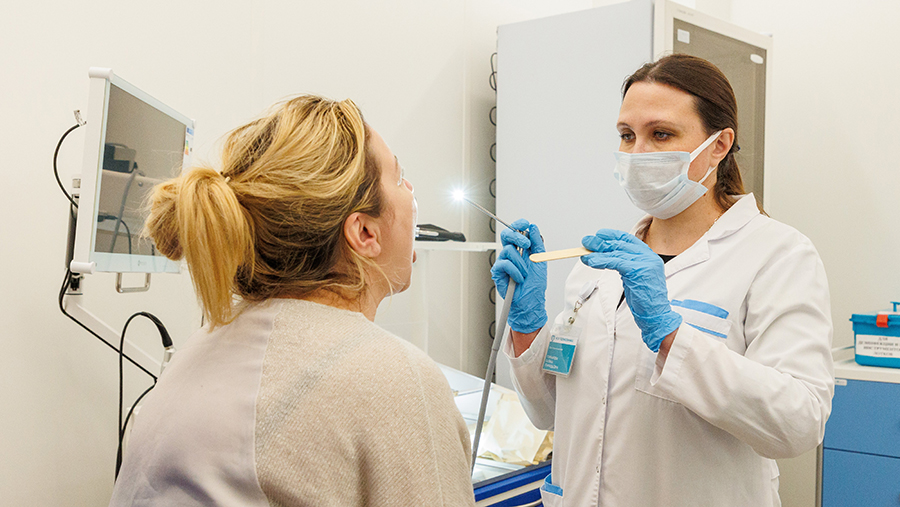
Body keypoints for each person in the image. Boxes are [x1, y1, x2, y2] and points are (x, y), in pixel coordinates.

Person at [491, 54, 833, 506]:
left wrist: (671, 335)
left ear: (719, 145)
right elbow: (550, 413)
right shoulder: (598, 265)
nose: (637, 154)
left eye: (661, 134)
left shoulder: (778, 255)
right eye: (626, 135)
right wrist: (527, 325)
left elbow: (798, 424)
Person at [110, 95, 476, 506]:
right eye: (399, 177)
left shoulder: (199, 350)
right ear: (364, 233)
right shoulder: (397, 380)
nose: (410, 191)